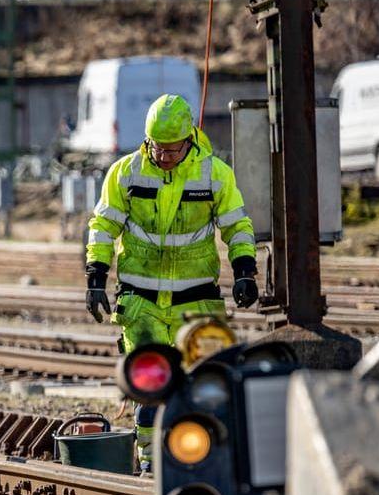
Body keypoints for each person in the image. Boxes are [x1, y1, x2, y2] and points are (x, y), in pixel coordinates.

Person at [84, 94, 258, 467]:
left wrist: (245, 270)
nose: (164, 156)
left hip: (196, 303)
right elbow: (102, 226)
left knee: (204, 386)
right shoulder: (126, 172)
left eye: (172, 149)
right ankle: (151, 463)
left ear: (189, 140)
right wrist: (96, 275)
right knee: (148, 387)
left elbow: (237, 225)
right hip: (141, 303)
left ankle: (203, 460)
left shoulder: (214, 173)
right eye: (157, 148)